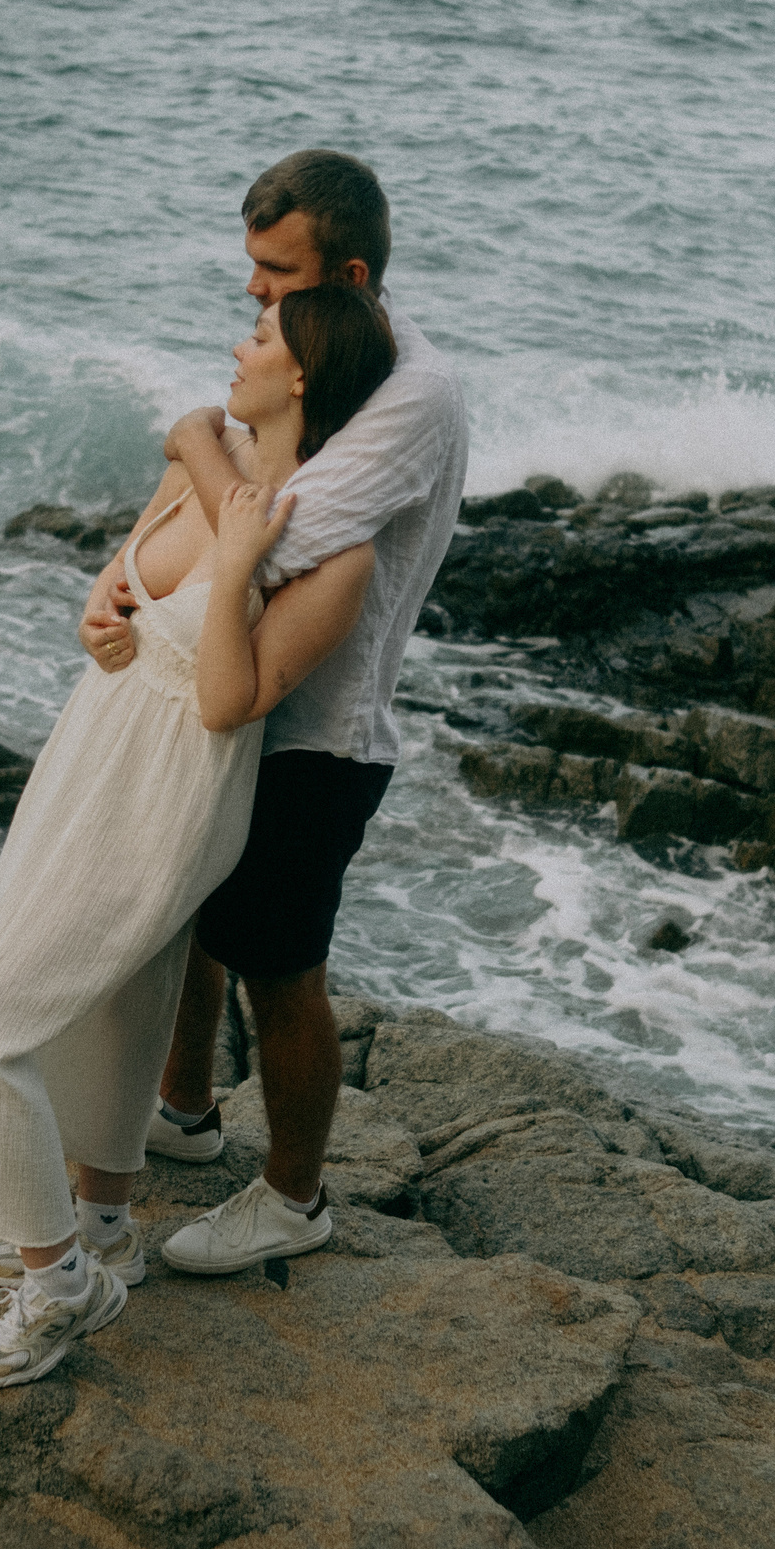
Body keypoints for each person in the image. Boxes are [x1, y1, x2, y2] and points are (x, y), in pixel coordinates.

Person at [0, 283, 399, 1388]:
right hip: (96, 745)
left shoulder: (331, 546)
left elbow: (229, 701)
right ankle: (105, 1219)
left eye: (262, 332)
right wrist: (101, 605)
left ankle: (61, 1284)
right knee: (112, 995)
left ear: (304, 374)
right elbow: (123, 584)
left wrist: (234, 564)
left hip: (176, 784)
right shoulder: (204, 457)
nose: (238, 339)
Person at [75, 150, 469, 1274]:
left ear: (346, 271)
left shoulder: (415, 394)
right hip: (244, 702)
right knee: (197, 911)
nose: (253, 293)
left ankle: (295, 1198)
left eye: (274, 272)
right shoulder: (324, 352)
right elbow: (245, 505)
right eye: (250, 268)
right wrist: (132, 573)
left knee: (280, 965)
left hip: (320, 727)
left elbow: (277, 534)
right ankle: (187, 1112)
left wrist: (196, 440)